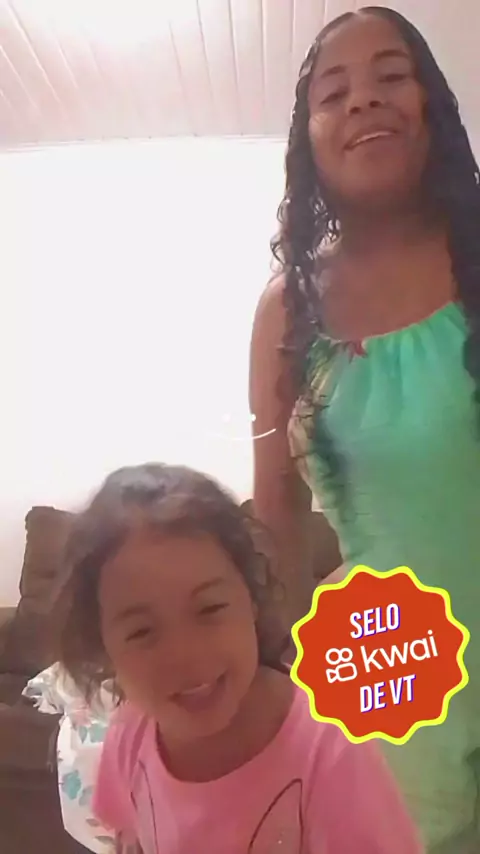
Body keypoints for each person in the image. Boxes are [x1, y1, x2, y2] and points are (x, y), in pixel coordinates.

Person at [250, 5, 480, 852]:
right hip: (391, 676)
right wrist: (270, 680)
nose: (363, 101)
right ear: (307, 139)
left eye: (391, 77)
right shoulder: (288, 313)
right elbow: (274, 513)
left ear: (431, 106)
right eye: (333, 93)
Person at [56, 463, 420, 853]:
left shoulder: (331, 752)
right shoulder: (132, 732)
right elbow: (131, 839)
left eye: (209, 608)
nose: (186, 656)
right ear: (103, 646)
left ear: (252, 598)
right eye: (142, 631)